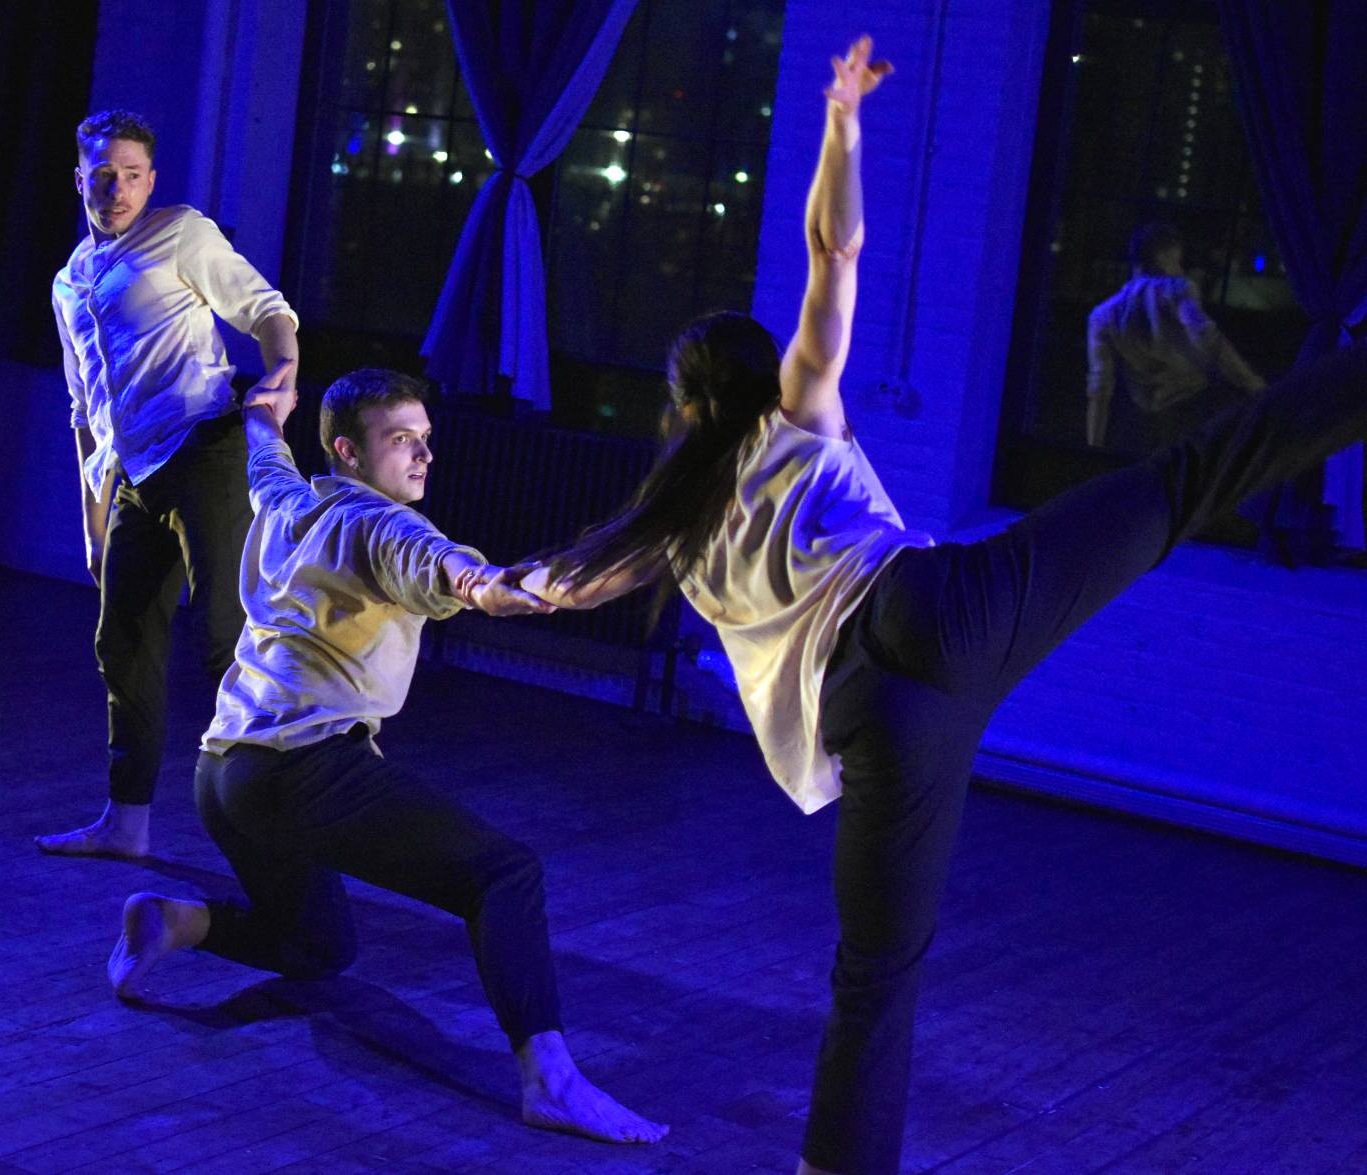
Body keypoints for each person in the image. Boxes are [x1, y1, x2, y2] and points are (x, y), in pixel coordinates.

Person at [510, 37, 1367, 1174]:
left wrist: (455, 580)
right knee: (1180, 482)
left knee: (876, 964)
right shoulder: (795, 411)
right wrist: (840, 122)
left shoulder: (673, 525)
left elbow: (560, 586)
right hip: (938, 607)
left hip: (867, 714)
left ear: (680, 405)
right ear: (755, 376)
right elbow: (835, 250)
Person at [106, 368, 668, 1146]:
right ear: (349, 450)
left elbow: (265, 448)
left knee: (321, 945)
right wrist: (515, 587)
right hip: (305, 770)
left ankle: (174, 921)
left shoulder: (291, 495)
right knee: (504, 873)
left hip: (223, 774)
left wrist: (266, 410)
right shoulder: (385, 527)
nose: (423, 455)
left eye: (426, 439)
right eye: (401, 439)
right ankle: (551, 1079)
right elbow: (458, 575)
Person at [40, 109, 300, 858]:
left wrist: (282, 375)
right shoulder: (68, 282)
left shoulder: (181, 232)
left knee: (225, 639)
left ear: (150, 180)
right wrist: (93, 518)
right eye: (102, 173)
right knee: (121, 642)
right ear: (80, 178)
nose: (116, 187)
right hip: (133, 478)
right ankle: (127, 824)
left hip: (203, 450)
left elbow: (266, 310)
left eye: (131, 173)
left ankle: (272, 828)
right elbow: (84, 408)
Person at [1086, 222, 1265, 452]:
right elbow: (1208, 338)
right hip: (1192, 409)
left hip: (1140, 418)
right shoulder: (1178, 290)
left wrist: (1093, 447)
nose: (1180, 268)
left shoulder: (1102, 315)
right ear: (1166, 256)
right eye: (1177, 260)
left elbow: (1099, 388)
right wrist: (1253, 384)